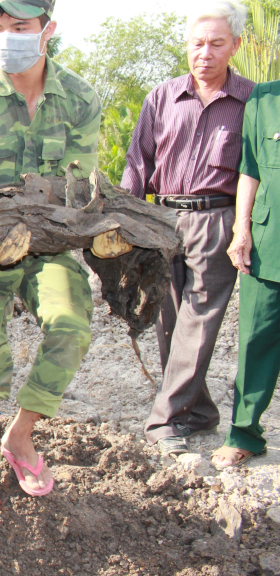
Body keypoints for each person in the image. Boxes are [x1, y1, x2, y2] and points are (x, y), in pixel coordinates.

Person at [0, 0, 105, 528]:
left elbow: (80, 190)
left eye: (19, 27)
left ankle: (20, 432)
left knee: (72, 322)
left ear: (47, 30)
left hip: (50, 243)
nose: (5, 36)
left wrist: (97, 232)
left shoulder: (79, 98)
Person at [121, 0, 253, 457]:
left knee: (198, 321)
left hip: (218, 219)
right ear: (187, 46)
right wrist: (126, 221)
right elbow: (138, 161)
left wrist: (244, 228)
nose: (206, 53)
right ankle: (198, 412)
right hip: (162, 220)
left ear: (235, 45)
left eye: (217, 43)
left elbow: (256, 173)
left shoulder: (250, 101)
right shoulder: (162, 96)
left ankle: (165, 420)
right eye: (198, 43)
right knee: (170, 321)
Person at [211, 79, 280, 470]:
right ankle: (245, 434)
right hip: (271, 242)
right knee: (256, 340)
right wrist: (241, 229)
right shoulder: (265, 99)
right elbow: (250, 168)